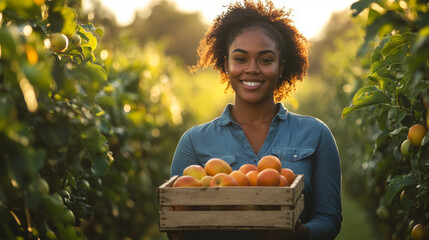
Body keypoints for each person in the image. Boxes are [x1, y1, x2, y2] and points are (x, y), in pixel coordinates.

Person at [169, 0, 342, 239]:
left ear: (281, 67)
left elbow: (329, 219)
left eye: (265, 60)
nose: (252, 69)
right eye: (240, 59)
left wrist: (302, 235)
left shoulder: (316, 134)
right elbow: (176, 225)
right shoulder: (194, 142)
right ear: (226, 64)